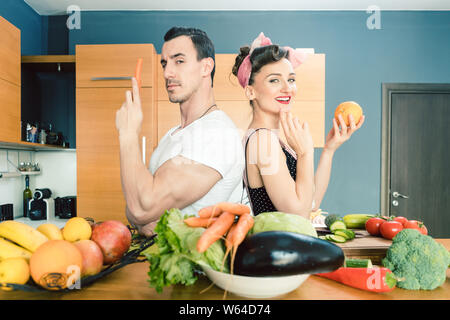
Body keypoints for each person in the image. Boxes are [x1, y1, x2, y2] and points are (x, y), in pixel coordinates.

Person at [116, 27, 244, 236]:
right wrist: (144, 213)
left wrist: (128, 135)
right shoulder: (172, 135)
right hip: (162, 259)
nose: (167, 73)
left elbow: (142, 209)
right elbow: (135, 206)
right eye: (165, 63)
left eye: (179, 61)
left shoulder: (218, 133)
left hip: (195, 265)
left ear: (206, 67)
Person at [232, 33, 365, 219]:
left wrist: (329, 149)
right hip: (279, 246)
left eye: (291, 79)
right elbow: (299, 214)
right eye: (274, 80)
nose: (288, 88)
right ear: (250, 91)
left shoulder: (269, 137)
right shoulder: (263, 140)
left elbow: (310, 203)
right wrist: (305, 153)